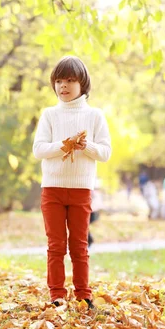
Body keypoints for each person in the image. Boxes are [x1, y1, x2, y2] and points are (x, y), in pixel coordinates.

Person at [33, 56, 112, 310]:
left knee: (79, 245)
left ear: (82, 84)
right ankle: (56, 294)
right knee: (56, 245)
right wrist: (64, 144)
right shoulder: (49, 115)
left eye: (69, 80)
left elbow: (105, 152)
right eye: (58, 81)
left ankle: (82, 294)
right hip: (52, 189)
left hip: (81, 190)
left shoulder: (95, 116)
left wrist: (85, 145)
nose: (63, 86)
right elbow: (39, 149)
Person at [87, 177, 103, 248]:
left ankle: (89, 239)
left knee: (84, 226)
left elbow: (97, 203)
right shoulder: (94, 192)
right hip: (91, 210)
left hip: (92, 211)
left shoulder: (94, 192)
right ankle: (89, 239)